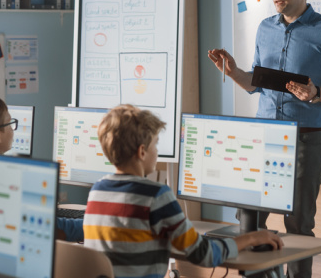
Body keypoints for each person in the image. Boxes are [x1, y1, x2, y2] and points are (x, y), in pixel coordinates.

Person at [208, 0, 321, 278]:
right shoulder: (265, 29)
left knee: (299, 223)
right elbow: (256, 85)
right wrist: (232, 70)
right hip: (263, 137)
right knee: (249, 218)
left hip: (307, 138)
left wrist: (316, 93)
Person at [83, 104, 283, 278]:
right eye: (155, 145)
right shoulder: (156, 196)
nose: (157, 152)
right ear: (142, 152)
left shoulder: (97, 191)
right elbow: (204, 254)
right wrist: (252, 238)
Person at [0, 94, 83, 243]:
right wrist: (98, 223)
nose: (13, 129)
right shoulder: (8, 180)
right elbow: (56, 229)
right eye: (9, 124)